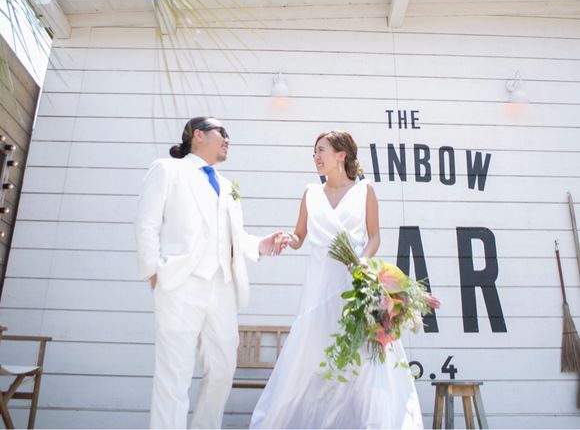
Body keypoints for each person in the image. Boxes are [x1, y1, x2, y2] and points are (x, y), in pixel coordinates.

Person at [250, 130, 424, 429]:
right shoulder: (311, 193)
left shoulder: (365, 190)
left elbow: (374, 236)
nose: (316, 157)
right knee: (314, 352)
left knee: (363, 357)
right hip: (319, 284)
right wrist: (287, 238)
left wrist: (362, 262)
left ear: (341, 154)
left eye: (322, 150)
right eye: (314, 152)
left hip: (355, 282)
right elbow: (300, 237)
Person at [135, 116, 286, 429]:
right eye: (222, 132)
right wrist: (154, 272)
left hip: (222, 287)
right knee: (173, 374)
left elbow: (233, 236)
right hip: (179, 283)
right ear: (198, 135)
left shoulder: (227, 186)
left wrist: (261, 245)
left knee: (222, 369)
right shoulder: (168, 170)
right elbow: (147, 224)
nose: (228, 139)